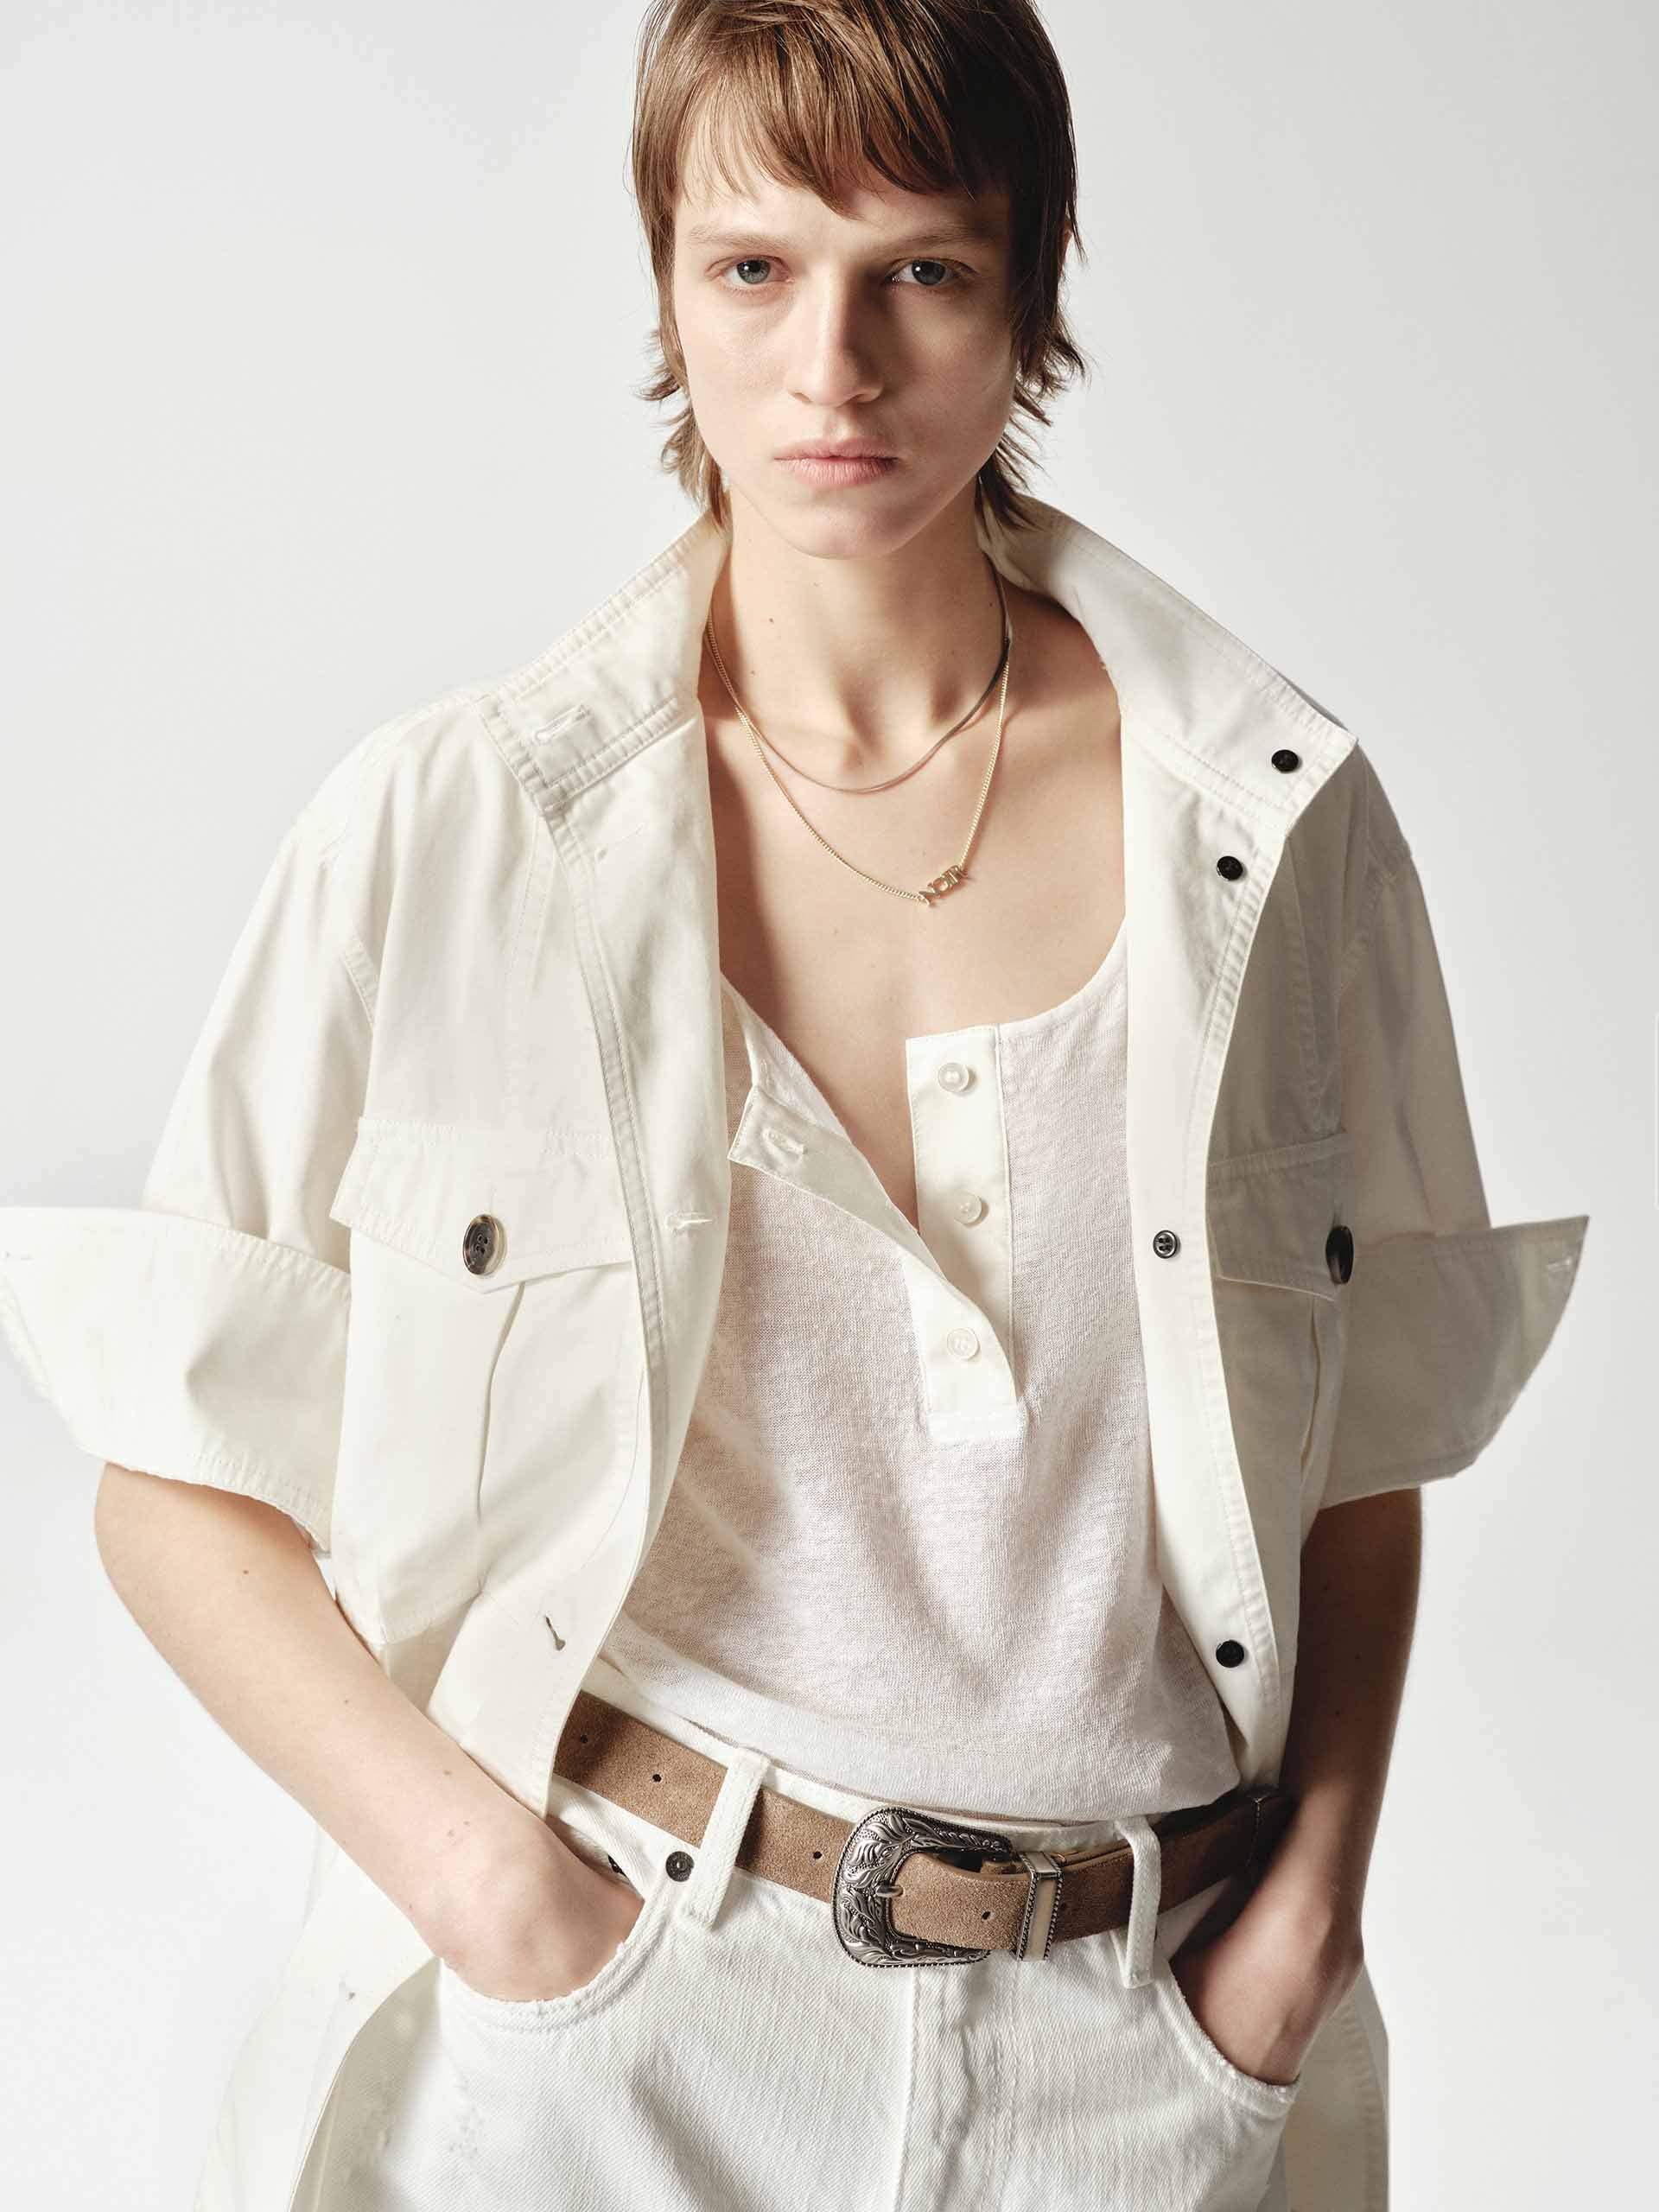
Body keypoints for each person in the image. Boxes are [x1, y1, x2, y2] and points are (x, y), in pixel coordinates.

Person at [0, 4, 1588, 2209]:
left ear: (1029, 289)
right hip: (620, 2028)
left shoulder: (1268, 825)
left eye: (920, 270)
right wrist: (493, 1896)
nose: (832, 366)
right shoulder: (456, 831)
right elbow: (176, 1479)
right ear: (667, 283)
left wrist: (1304, 1918)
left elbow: (1364, 1443)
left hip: (1135, 2050)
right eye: (755, 267)